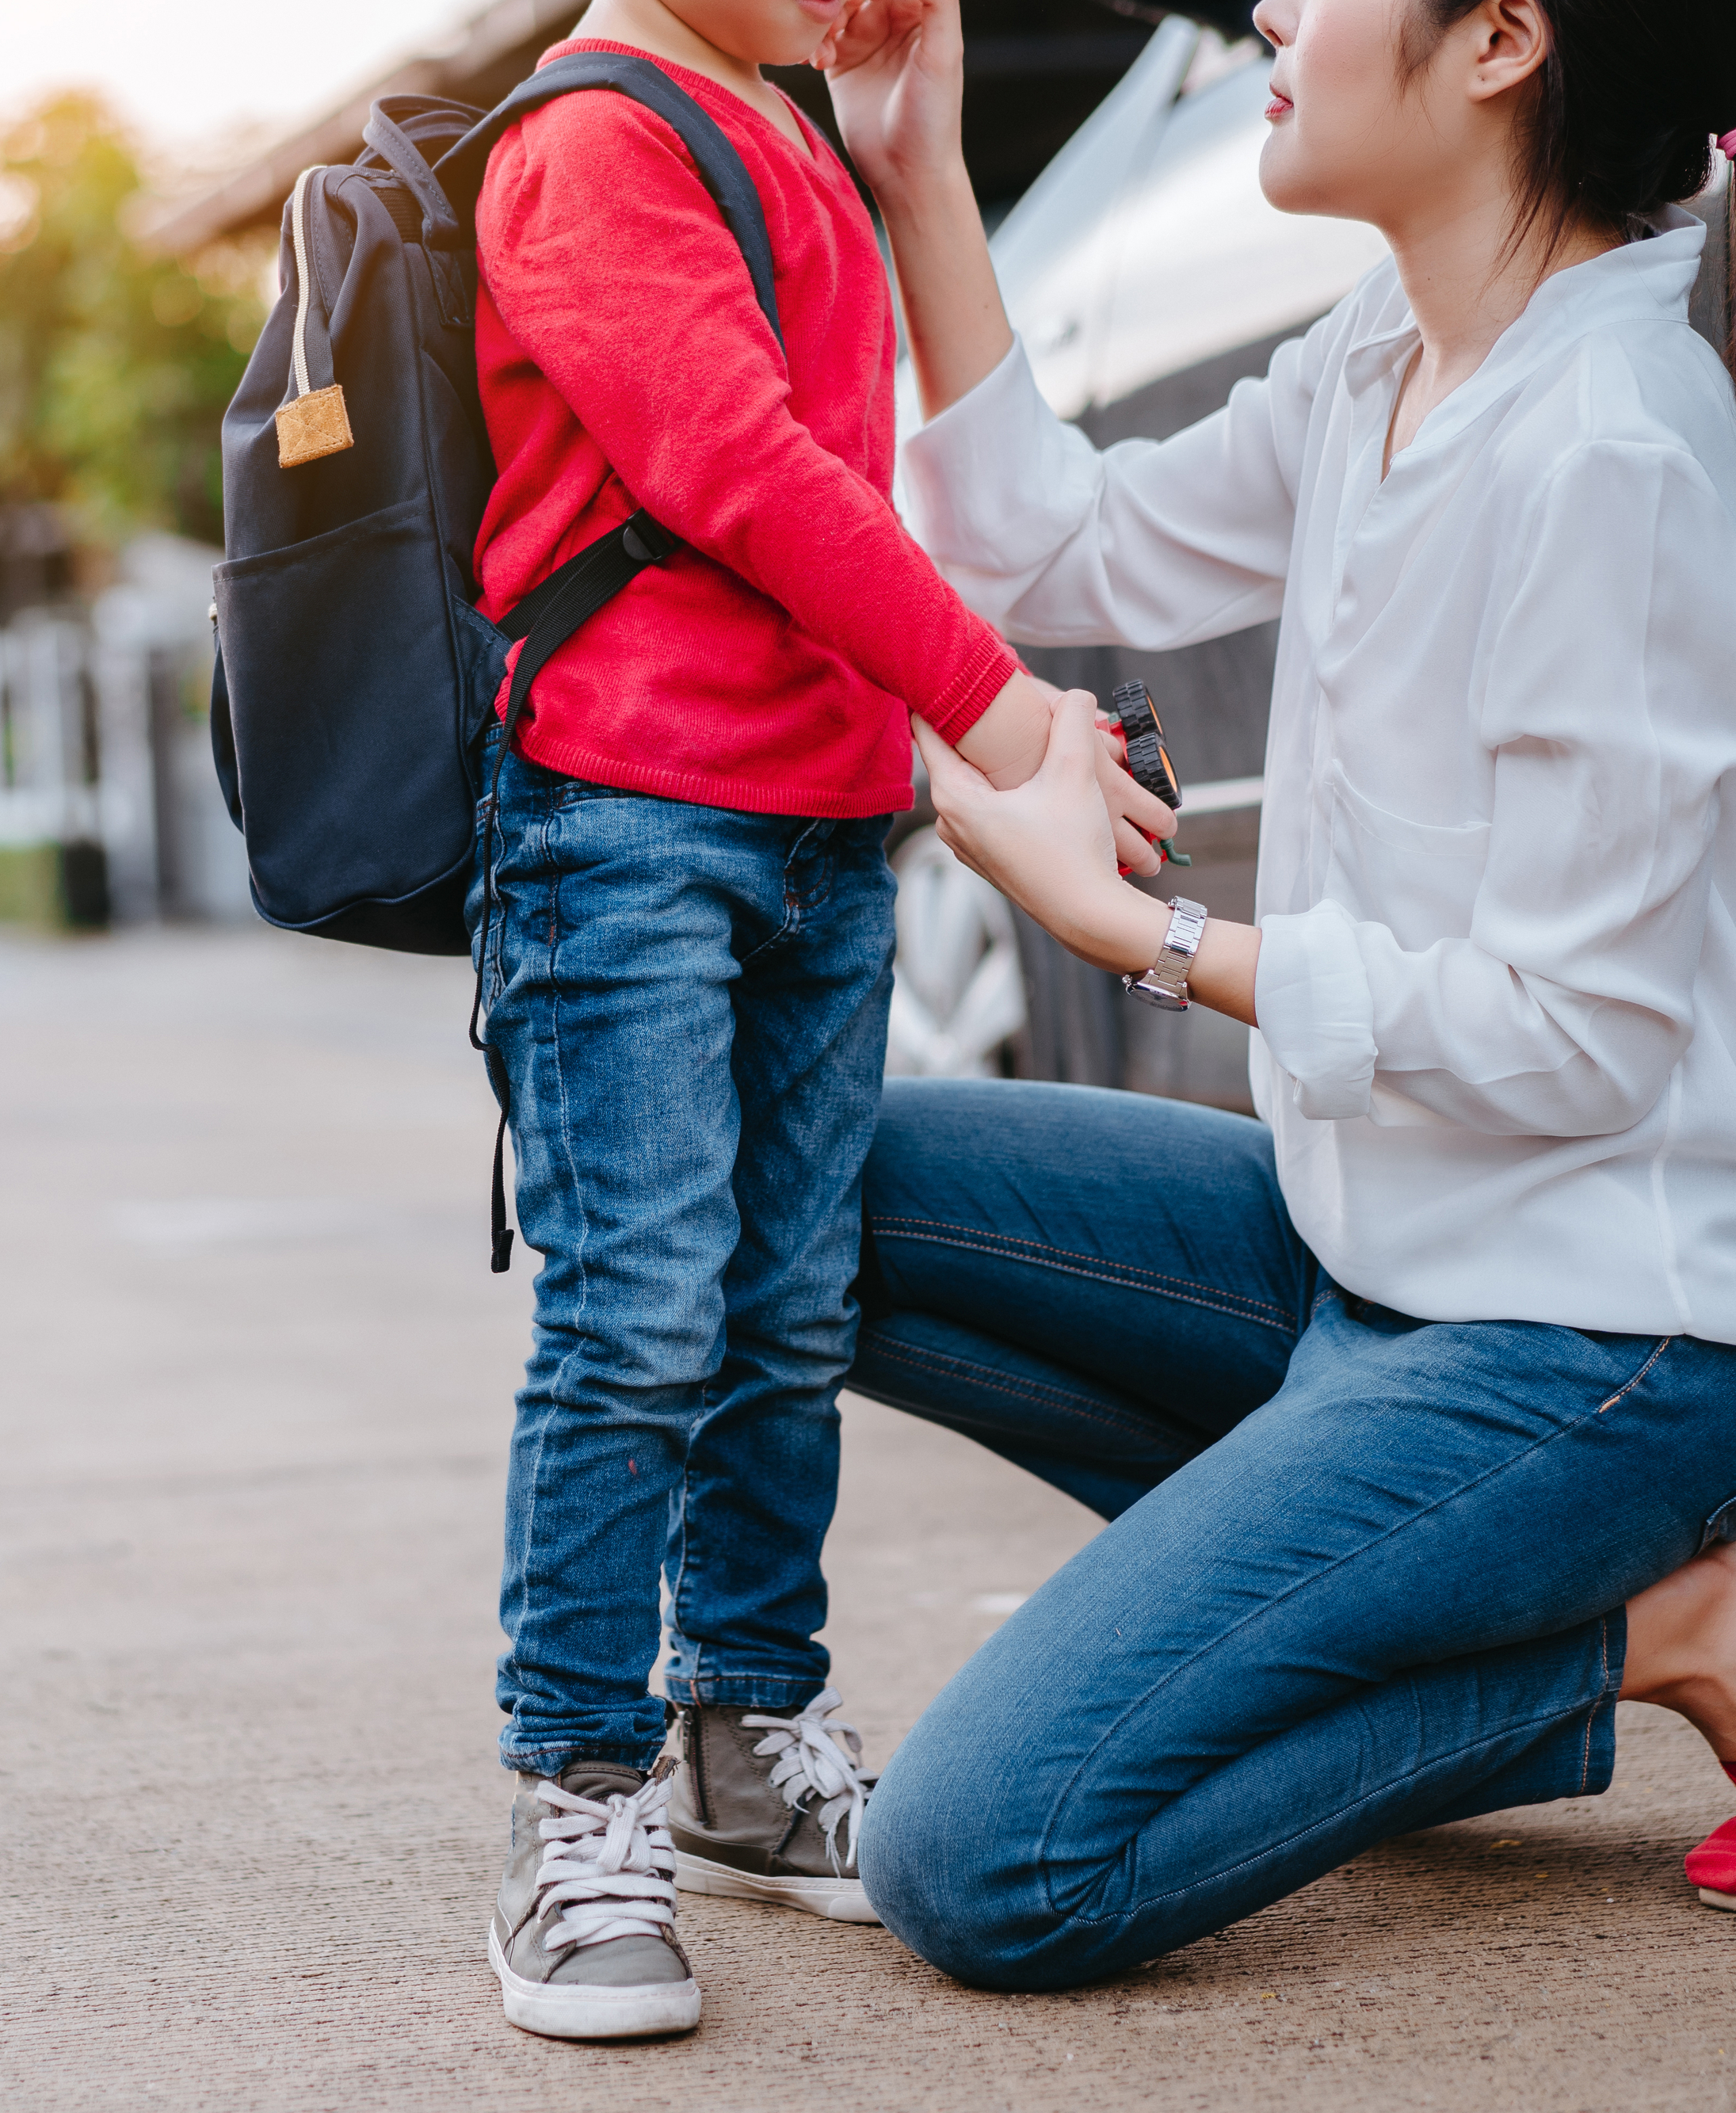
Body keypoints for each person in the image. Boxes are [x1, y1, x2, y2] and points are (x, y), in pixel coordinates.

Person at [805, 0, 1736, 1989]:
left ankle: (1671, 1621)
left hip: (1612, 1332)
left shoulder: (1611, 451)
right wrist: (914, 164)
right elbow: (1045, 537)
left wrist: (1142, 934)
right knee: (801, 1192)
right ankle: (1386, 1582)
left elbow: (1575, 1035)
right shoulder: (1382, 357)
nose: (1266, 11)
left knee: (984, 1857)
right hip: (1379, 1256)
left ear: (1498, 40)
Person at [462, 0, 1181, 2042]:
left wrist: (902, 149)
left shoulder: (790, 136)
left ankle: (742, 1730)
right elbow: (744, 475)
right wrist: (1008, 706)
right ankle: (574, 1786)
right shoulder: (588, 141)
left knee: (784, 1306)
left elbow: (868, 508)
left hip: (823, 829)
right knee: (637, 1311)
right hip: (623, 823)